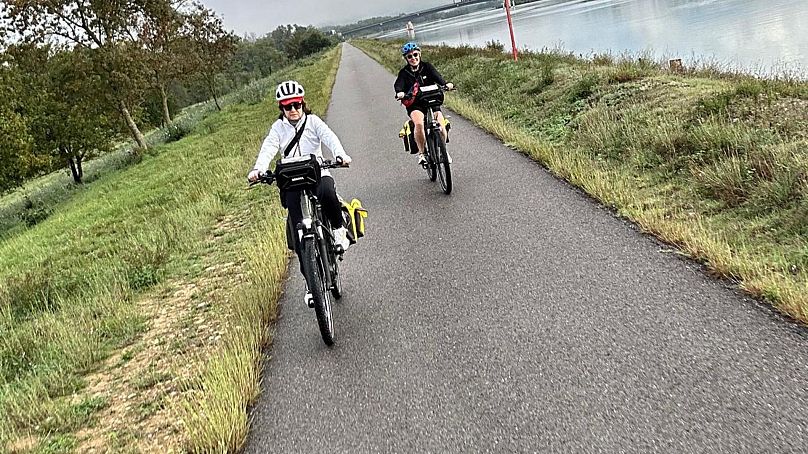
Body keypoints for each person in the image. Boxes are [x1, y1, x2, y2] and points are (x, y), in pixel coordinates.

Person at [247, 80, 352, 306]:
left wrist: (340, 154)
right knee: (299, 234)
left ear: (303, 103)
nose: (293, 110)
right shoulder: (278, 128)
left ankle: (338, 228)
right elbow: (269, 147)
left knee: (327, 192)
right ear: (281, 109)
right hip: (292, 180)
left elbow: (329, 137)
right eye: (288, 106)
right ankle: (310, 282)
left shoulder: (313, 122)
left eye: (297, 105)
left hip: (317, 172)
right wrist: (259, 169)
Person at [394, 42, 453, 166]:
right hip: (415, 104)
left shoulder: (427, 67)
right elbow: (398, 84)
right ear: (406, 58)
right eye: (409, 56)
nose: (413, 58)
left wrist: (446, 84)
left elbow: (438, 77)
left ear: (419, 54)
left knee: (441, 125)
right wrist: (400, 92)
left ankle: (444, 151)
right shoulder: (404, 73)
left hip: (431, 100)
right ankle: (422, 154)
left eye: (415, 55)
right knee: (419, 123)